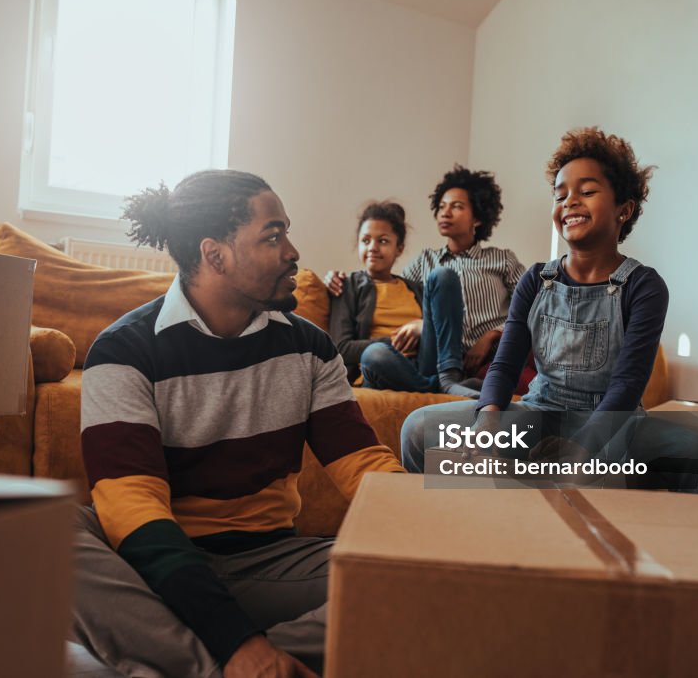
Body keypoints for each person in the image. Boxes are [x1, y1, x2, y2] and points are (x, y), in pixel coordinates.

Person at [74, 170, 404, 677]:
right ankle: (235, 665)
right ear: (216, 255)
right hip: (157, 566)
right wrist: (238, 646)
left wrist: (436, 531)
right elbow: (132, 509)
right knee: (46, 533)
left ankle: (198, 658)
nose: (293, 251)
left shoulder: (308, 347)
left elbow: (363, 464)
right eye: (273, 235)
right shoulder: (123, 351)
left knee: (416, 575)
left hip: (271, 564)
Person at [400, 128, 698, 494]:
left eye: (586, 192)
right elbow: (506, 366)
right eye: (560, 195)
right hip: (540, 413)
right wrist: (489, 419)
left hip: (613, 422)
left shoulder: (644, 286)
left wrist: (582, 450)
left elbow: (627, 383)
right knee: (417, 429)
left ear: (624, 209)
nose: (569, 202)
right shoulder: (535, 279)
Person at [326, 166, 527, 398]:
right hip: (399, 360)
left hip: (457, 356)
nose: (445, 213)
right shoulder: (420, 263)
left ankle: (448, 379)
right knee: (374, 354)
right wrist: (332, 278)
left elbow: (532, 302)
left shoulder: (500, 259)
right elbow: (344, 344)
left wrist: (493, 333)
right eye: (441, 206)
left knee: (443, 275)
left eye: (456, 206)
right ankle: (442, 386)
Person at [328, 201, 425, 383]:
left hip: (421, 363)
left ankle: (432, 383)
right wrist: (393, 343)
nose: (372, 247)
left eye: (383, 241)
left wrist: (422, 327)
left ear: (399, 248)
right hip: (378, 367)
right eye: (366, 241)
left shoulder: (417, 289)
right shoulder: (347, 285)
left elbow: (441, 339)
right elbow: (341, 347)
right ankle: (432, 387)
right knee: (375, 354)